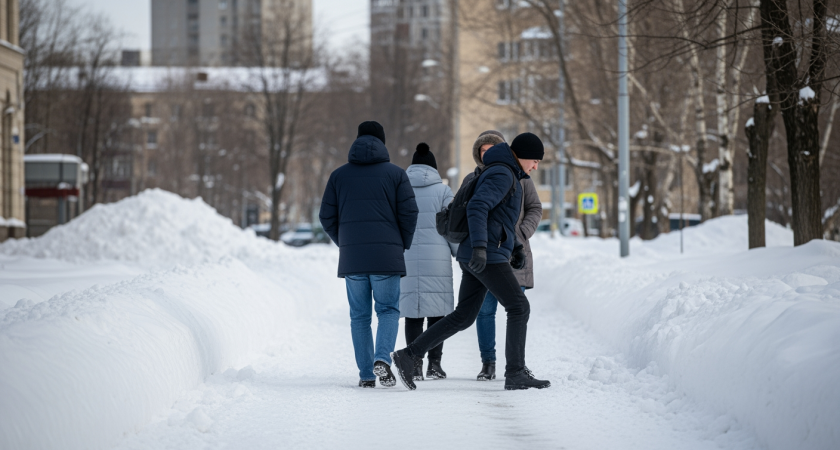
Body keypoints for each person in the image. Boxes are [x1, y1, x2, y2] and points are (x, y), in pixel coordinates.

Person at [391, 132, 551, 391]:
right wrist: (480, 248)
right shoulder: (503, 173)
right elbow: (478, 207)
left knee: (464, 315)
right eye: (535, 160)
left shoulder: (503, 170)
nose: (535, 166)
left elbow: (500, 218)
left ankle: (408, 355)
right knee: (518, 307)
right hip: (486, 254)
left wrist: (515, 247)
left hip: (478, 252)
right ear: (522, 156)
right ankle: (515, 373)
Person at [319, 121, 419, 389]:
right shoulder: (396, 174)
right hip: (387, 257)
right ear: (382, 142)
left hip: (353, 259)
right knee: (388, 310)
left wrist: (345, 243)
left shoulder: (338, 176)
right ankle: (382, 358)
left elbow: (326, 216)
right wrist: (401, 244)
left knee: (359, 316)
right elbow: (410, 213)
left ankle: (366, 374)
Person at [467, 131, 542, 381]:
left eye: (492, 149)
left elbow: (535, 208)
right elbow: (472, 211)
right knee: (485, 311)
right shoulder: (479, 176)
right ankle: (489, 363)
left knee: (517, 309)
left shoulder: (522, 178)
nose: (487, 153)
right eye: (483, 150)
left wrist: (520, 233)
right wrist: (477, 246)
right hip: (489, 252)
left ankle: (517, 366)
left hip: (513, 252)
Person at [400, 143, 459, 381]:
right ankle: (435, 365)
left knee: (413, 313)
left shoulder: (401, 189)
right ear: (433, 168)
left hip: (407, 255)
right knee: (438, 312)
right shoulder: (444, 191)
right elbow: (452, 226)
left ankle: (414, 365)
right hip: (437, 258)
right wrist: (459, 253)